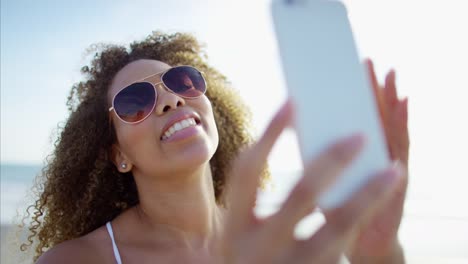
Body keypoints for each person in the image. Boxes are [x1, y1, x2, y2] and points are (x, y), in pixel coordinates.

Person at [21, 32, 409, 263]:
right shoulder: (77, 261)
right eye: (136, 102)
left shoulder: (276, 244)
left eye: (182, 82)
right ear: (118, 155)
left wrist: (381, 254)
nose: (172, 101)